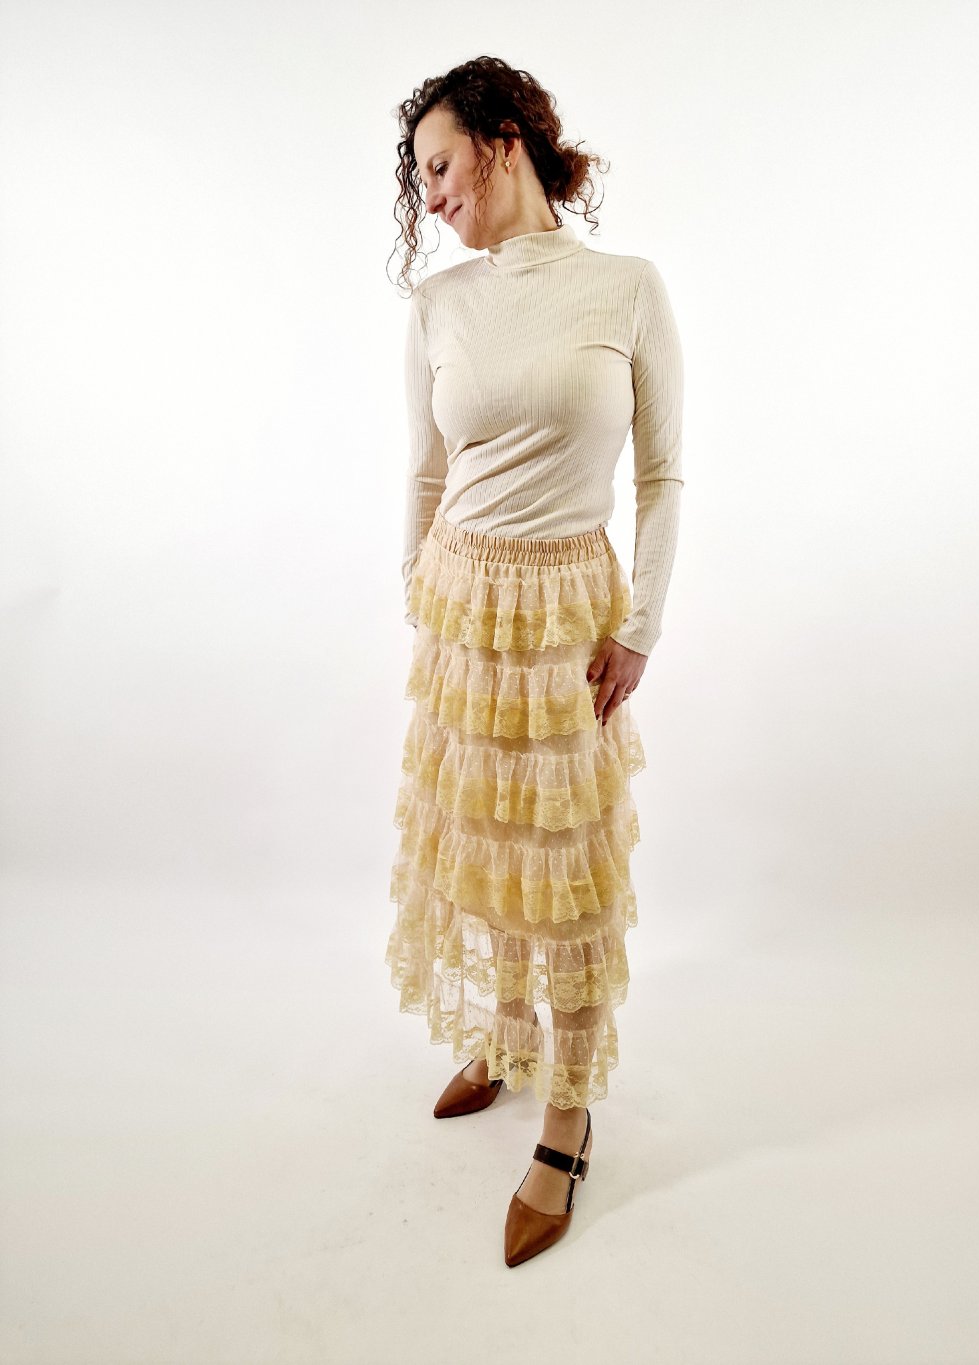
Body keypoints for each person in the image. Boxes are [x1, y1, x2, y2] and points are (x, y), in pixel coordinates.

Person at [384, 55, 684, 1267]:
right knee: (481, 840)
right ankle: (504, 1039)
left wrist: (639, 627)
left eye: (440, 166)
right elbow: (425, 474)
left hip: (567, 614)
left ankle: (566, 1115)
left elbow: (661, 476)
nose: (432, 198)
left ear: (503, 140)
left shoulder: (624, 289)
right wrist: (420, 599)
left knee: (565, 863)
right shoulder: (438, 305)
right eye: (421, 180)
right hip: (463, 611)